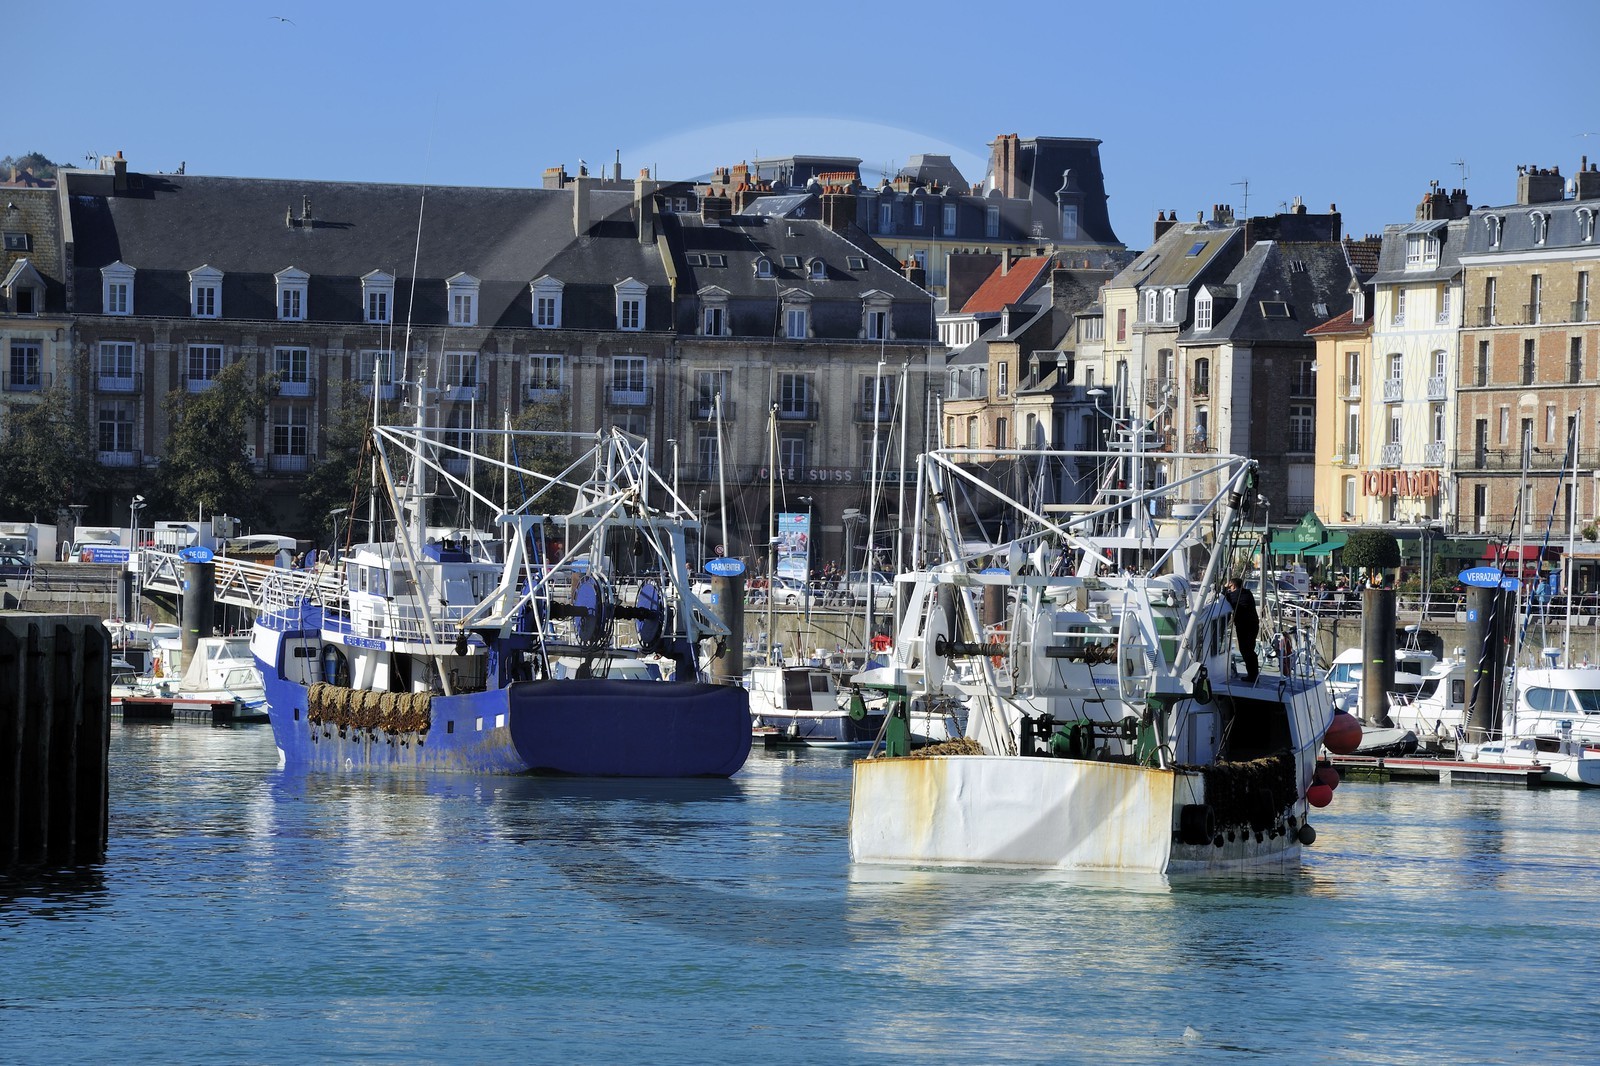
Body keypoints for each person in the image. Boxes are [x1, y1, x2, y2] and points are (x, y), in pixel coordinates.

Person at [1222, 578, 1260, 682]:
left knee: (1245, 650)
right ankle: (1254, 674)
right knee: (1249, 649)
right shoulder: (1248, 593)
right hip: (1253, 624)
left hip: (1244, 626)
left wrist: (1225, 588)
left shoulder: (1233, 595)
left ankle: (1252, 676)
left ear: (1232, 586)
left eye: (1230, 586)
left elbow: (1223, 596)